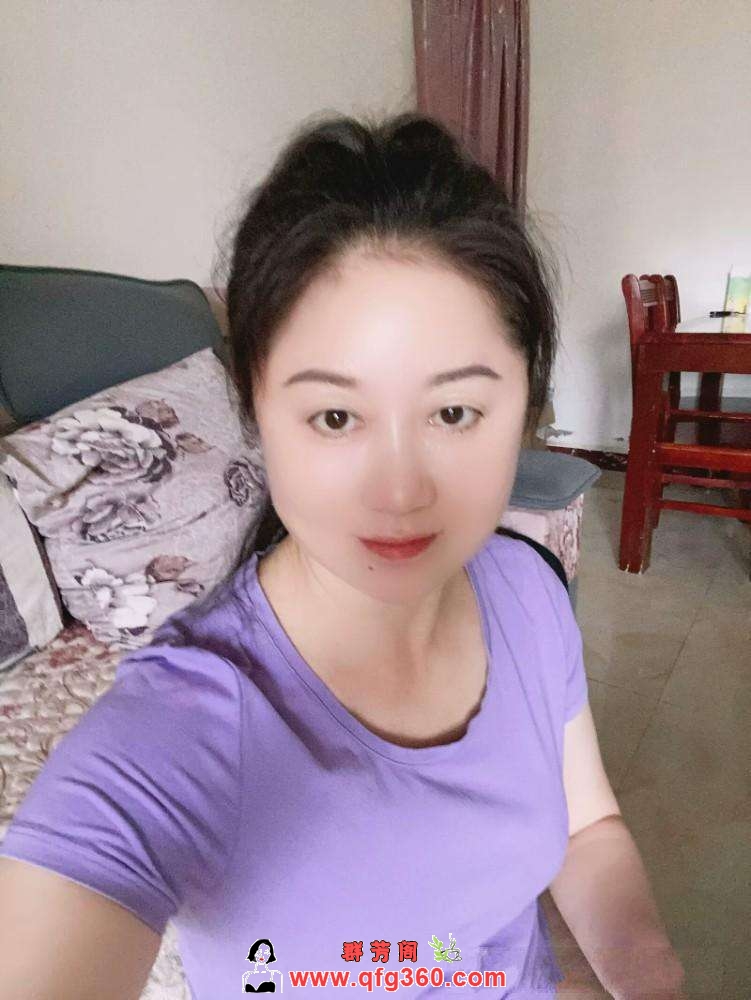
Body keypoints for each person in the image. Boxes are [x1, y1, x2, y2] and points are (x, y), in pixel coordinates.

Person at [0, 111, 686, 999]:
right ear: (255, 410)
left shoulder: (527, 587)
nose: (397, 491)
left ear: (526, 402)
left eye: (453, 413)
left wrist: (651, 977)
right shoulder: (180, 725)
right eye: (334, 416)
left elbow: (587, 827)